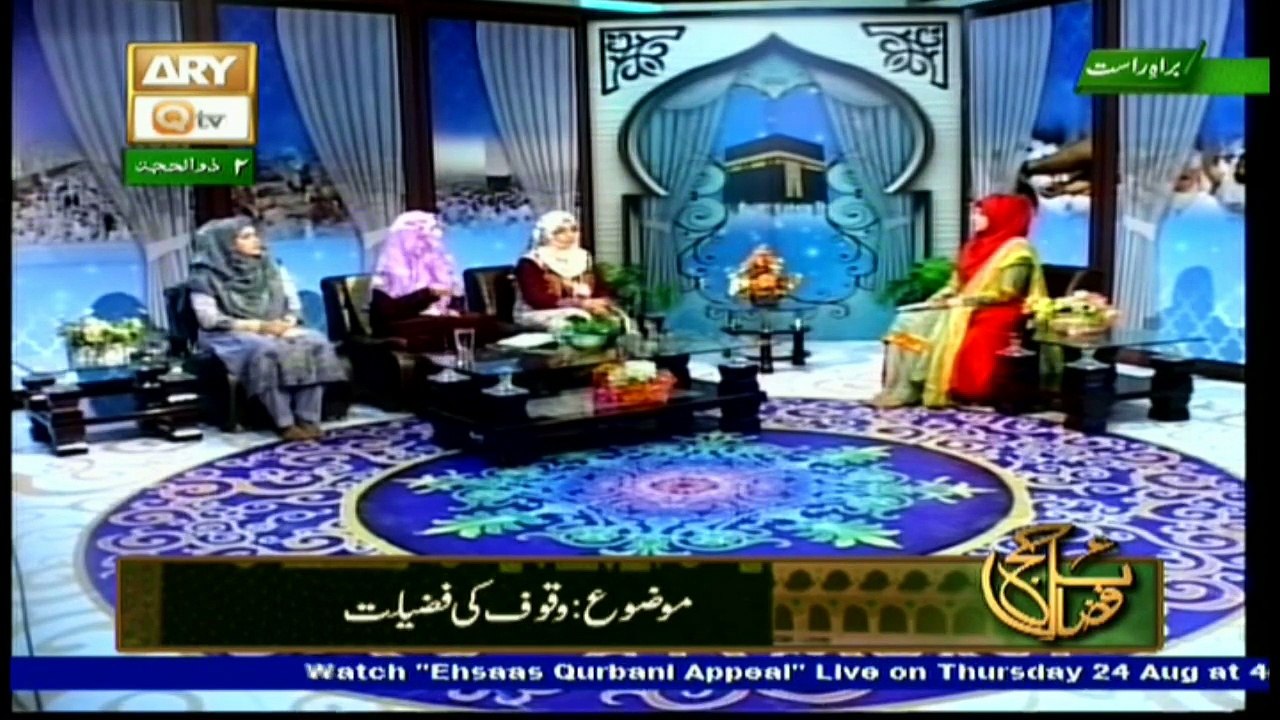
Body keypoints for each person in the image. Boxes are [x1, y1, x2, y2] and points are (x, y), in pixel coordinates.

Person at [873, 194, 1047, 409]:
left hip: (996, 310)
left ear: (1000, 216)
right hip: (962, 305)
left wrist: (961, 302)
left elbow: (1005, 293)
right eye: (974, 213)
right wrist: (937, 299)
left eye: (980, 214)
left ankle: (962, 391)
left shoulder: (1017, 251)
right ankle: (902, 388)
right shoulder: (973, 245)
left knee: (965, 333)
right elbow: (955, 283)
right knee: (906, 320)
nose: (974, 219)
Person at [187, 217, 347, 440]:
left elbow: (293, 303)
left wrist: (289, 321)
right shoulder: (204, 276)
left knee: (315, 342)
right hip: (228, 334)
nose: (256, 241)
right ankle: (284, 422)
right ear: (225, 244)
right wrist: (260, 326)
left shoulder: (272, 266)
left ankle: (308, 418)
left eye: (255, 235)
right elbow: (209, 319)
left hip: (276, 327)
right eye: (246, 237)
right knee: (268, 350)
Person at [367, 210, 515, 352]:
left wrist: (452, 308)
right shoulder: (387, 273)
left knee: (482, 322)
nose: (426, 242)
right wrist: (428, 294)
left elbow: (454, 299)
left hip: (437, 321)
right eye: (418, 236)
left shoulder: (437, 265)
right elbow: (387, 314)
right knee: (454, 326)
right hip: (401, 324)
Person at [513, 210, 632, 332]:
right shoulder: (531, 261)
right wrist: (580, 304)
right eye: (561, 231)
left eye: (574, 230)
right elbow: (537, 299)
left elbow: (600, 288)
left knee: (615, 318)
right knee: (575, 320)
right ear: (547, 235)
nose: (570, 235)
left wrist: (600, 302)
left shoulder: (584, 257)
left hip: (582, 307)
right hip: (537, 312)